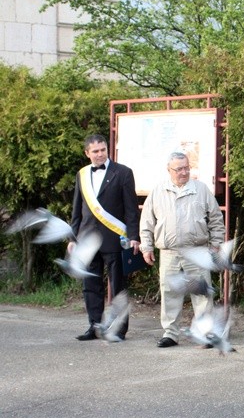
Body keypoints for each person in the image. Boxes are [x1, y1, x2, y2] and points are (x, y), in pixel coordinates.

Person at [139, 152, 225, 348]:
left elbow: (215, 218)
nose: (184, 172)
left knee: (201, 294)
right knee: (169, 292)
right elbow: (147, 222)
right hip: (169, 252)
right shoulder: (158, 191)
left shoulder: (201, 189)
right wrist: (146, 247)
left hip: (197, 251)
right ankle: (170, 334)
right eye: (179, 169)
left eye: (187, 167)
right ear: (169, 170)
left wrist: (216, 242)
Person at [70, 134, 140, 341]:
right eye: (95, 151)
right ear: (87, 153)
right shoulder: (81, 174)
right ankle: (94, 325)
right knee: (90, 285)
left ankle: (119, 328)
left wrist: (134, 236)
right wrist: (73, 238)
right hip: (87, 239)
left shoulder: (123, 173)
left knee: (118, 285)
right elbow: (77, 210)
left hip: (115, 238)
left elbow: (131, 209)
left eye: (103, 150)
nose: (100, 154)